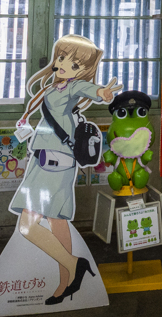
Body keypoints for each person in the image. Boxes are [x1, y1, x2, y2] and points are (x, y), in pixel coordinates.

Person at [10, 34, 121, 304]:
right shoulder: (53, 88)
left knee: (28, 226)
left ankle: (73, 266)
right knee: (57, 223)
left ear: (83, 71)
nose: (63, 65)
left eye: (73, 63)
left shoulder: (72, 88)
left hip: (55, 162)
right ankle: (65, 284)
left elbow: (87, 90)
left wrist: (101, 93)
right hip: (46, 160)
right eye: (61, 58)